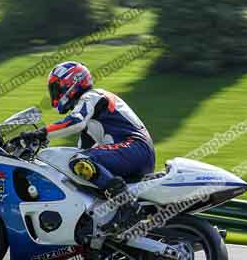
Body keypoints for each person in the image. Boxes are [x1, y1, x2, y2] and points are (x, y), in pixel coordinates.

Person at [20, 61, 155, 233]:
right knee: (79, 165)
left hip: (134, 148)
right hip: (134, 152)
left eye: (57, 88)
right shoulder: (92, 120)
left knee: (79, 161)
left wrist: (41, 133)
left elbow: (75, 122)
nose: (56, 94)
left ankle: (127, 207)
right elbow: (80, 151)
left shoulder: (91, 96)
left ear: (72, 83)